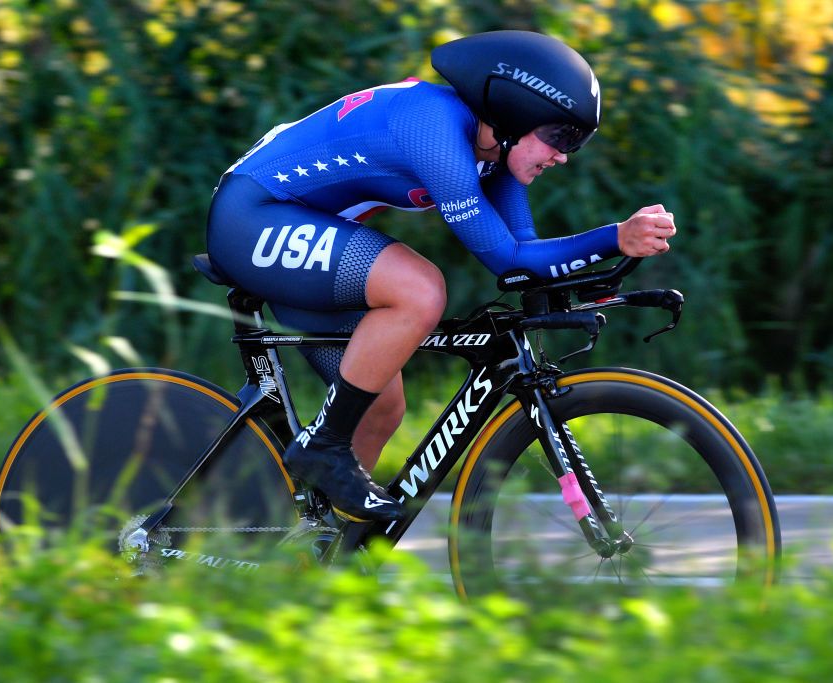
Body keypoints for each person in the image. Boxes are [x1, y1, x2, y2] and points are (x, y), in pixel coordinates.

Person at [206, 30, 676, 523]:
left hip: (295, 233)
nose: (563, 155)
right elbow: (508, 260)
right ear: (513, 115)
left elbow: (528, 263)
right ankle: (322, 448)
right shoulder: (434, 130)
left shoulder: (494, 153)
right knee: (418, 289)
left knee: (379, 406)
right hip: (251, 219)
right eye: (560, 136)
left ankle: (319, 550)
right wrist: (614, 237)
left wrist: (600, 281)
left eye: (574, 143)